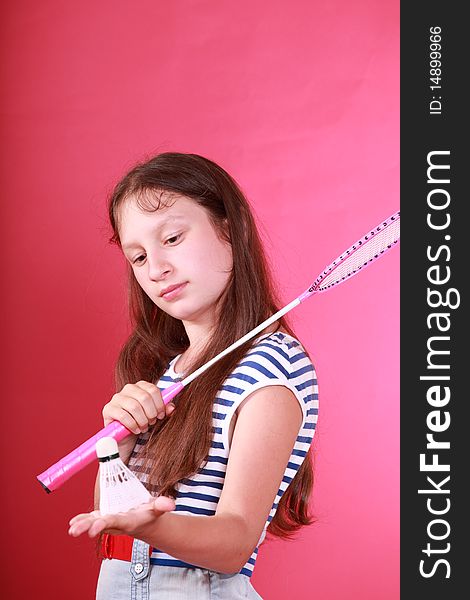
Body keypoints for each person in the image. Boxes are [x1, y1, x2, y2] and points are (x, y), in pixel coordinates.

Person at [68, 152, 319, 599]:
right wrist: (117, 446)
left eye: (173, 238)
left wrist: (152, 525)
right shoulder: (170, 372)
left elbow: (234, 545)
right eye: (139, 256)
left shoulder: (271, 367)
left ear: (229, 229)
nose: (156, 268)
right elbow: (109, 519)